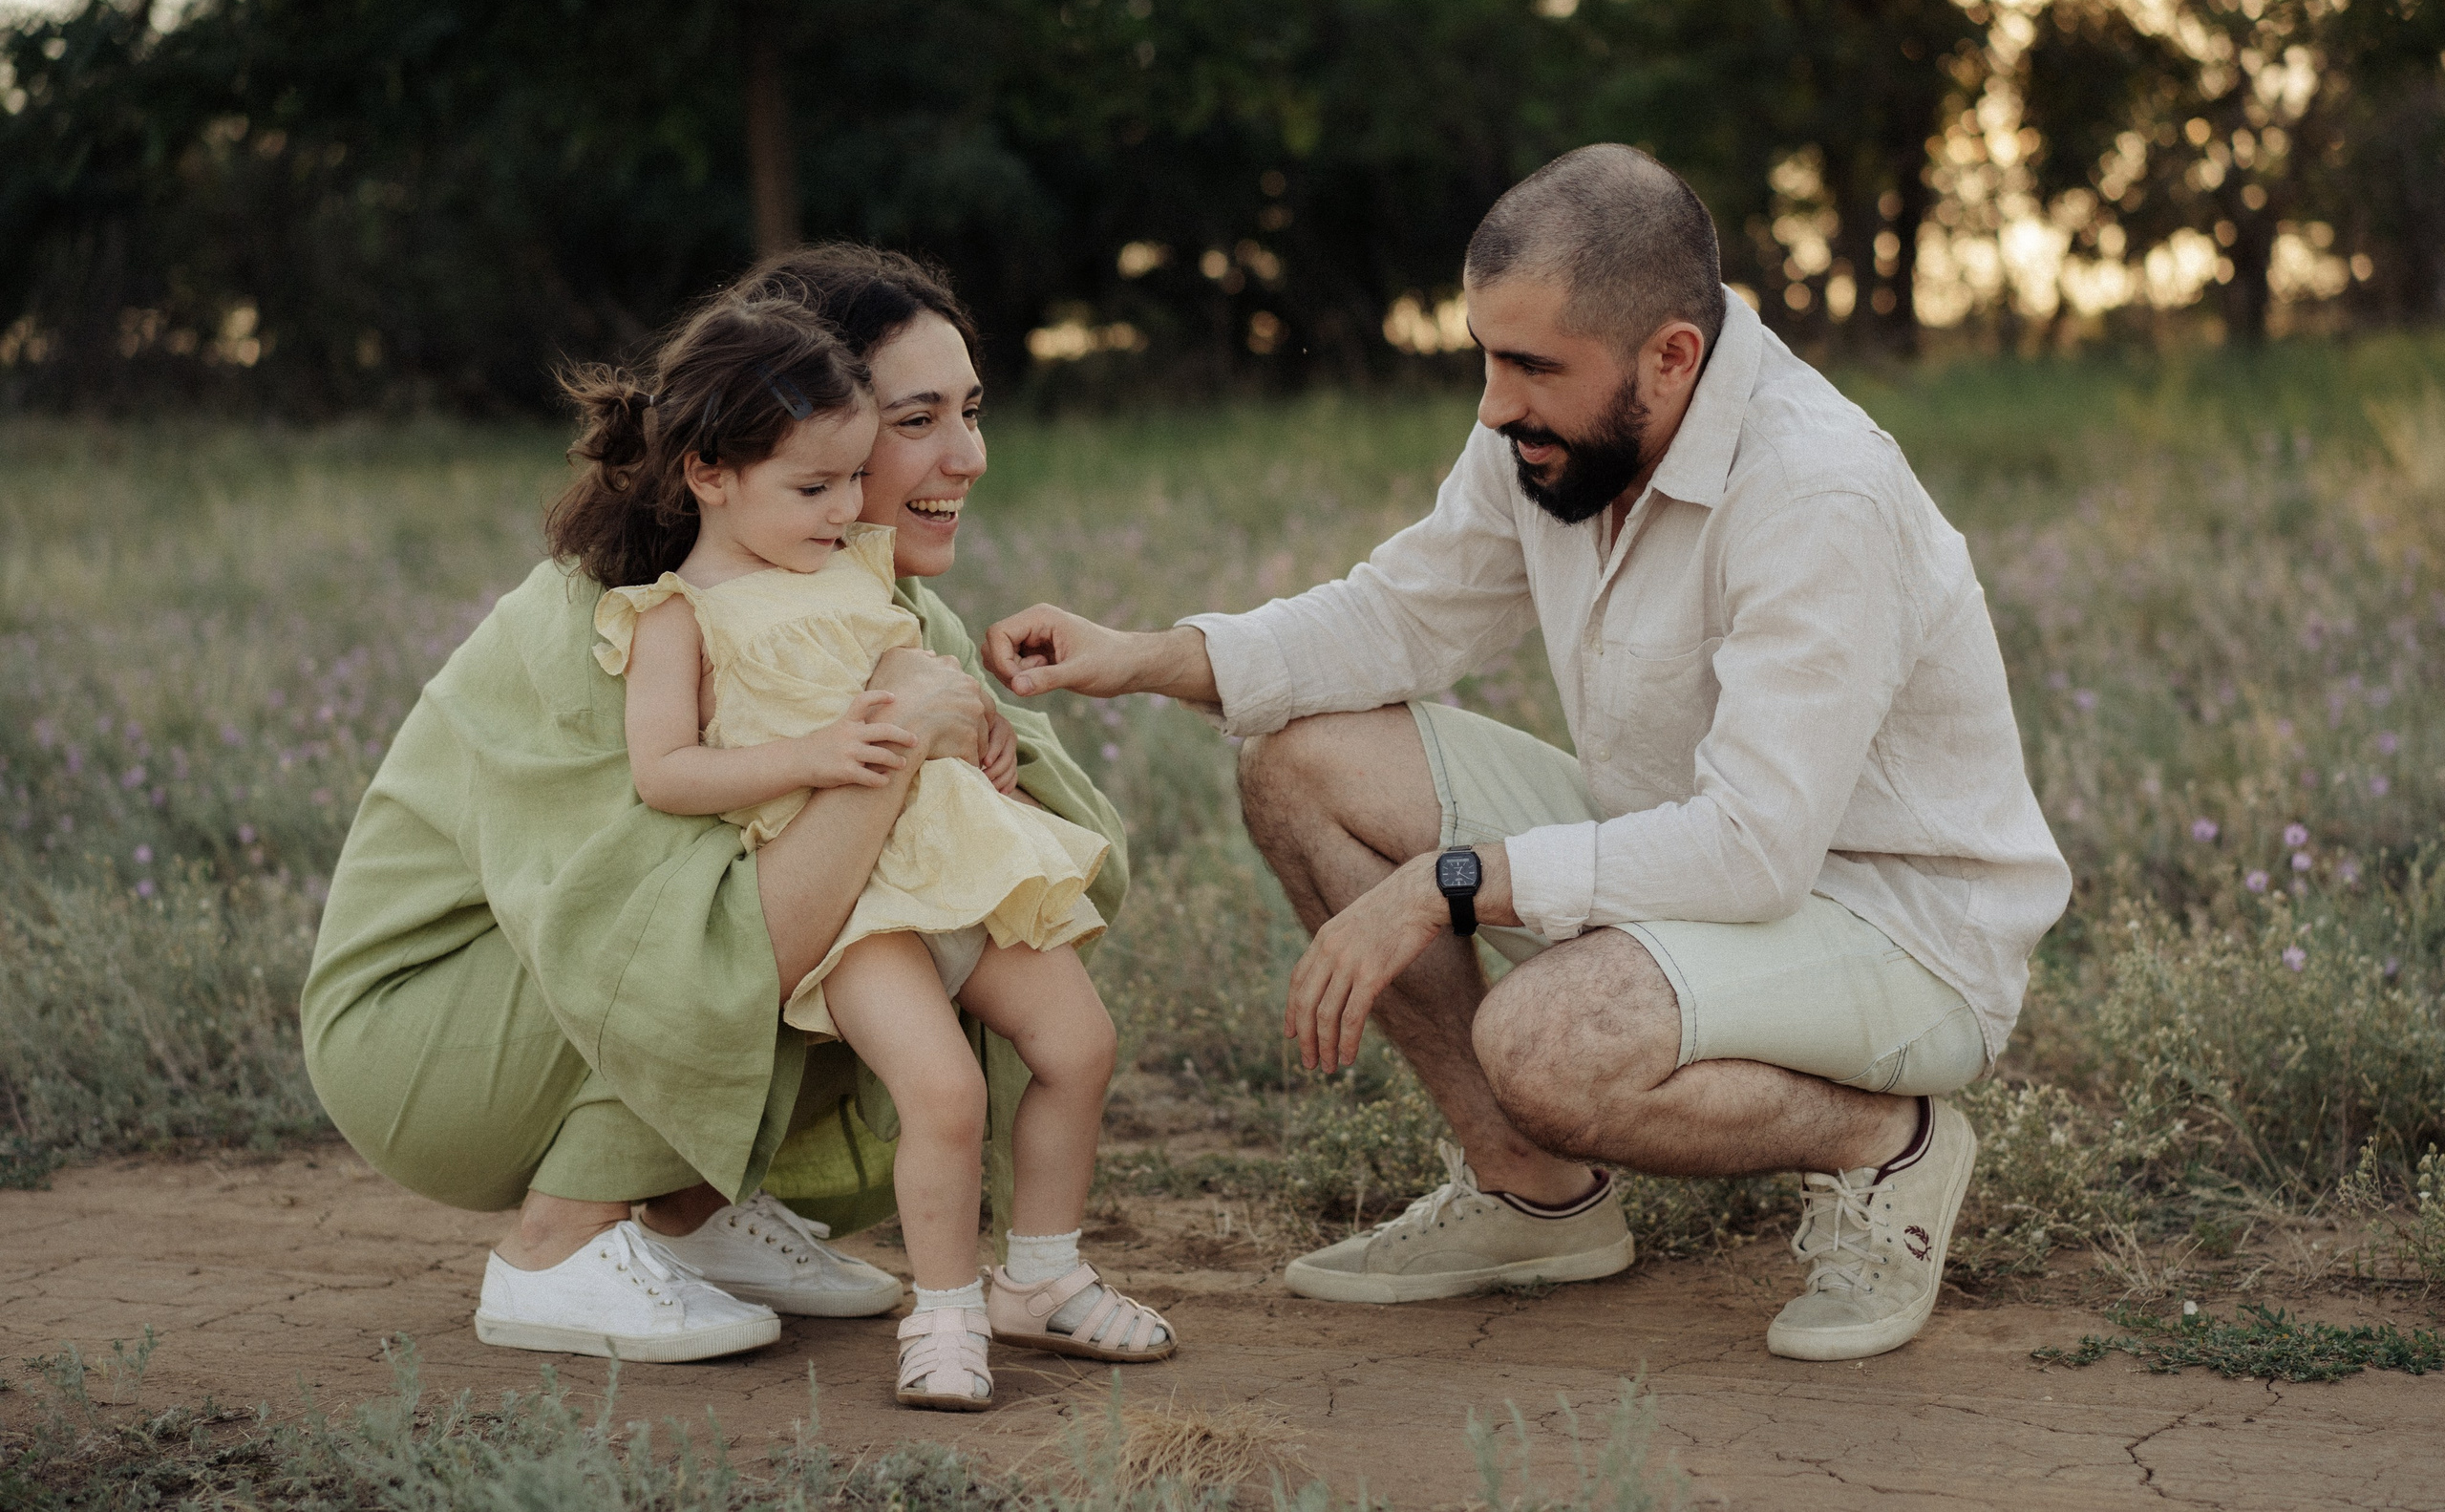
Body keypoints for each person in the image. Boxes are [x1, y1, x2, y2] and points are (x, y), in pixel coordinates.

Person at [983, 146, 2072, 1362]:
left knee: (1544, 1043)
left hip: (1894, 927)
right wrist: (1140, 656)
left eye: (1533, 367)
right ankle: (1532, 1196)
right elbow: (1397, 618)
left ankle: (1888, 1145)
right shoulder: (1551, 433)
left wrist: (1450, 882)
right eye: (1487, 357)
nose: (1495, 405)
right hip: (1687, 862)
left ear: (1672, 356)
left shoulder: (1818, 493)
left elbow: (1756, 850)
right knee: (1297, 761)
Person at [302, 246, 1134, 1375]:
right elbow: (662, 935)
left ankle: (689, 1211)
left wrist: (967, 726)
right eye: (917, 419)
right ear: (757, 444)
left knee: (925, 906)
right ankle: (556, 1246)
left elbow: (1064, 848)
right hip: (429, 1037)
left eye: (972, 411)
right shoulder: (617, 619)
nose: (968, 456)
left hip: (575, 983)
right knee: (806, 901)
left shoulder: (859, 591)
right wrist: (896, 740)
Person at [556, 293, 1171, 1409]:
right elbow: (666, 774)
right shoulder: (673, 615)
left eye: (852, 480)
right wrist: (813, 754)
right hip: (854, 905)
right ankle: (944, 1315)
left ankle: (1042, 1274)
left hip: (959, 863)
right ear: (708, 475)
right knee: (944, 1092)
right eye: (815, 488)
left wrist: (980, 732)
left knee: (1080, 1045)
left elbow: (926, 681)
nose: (846, 508)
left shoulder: (858, 568)